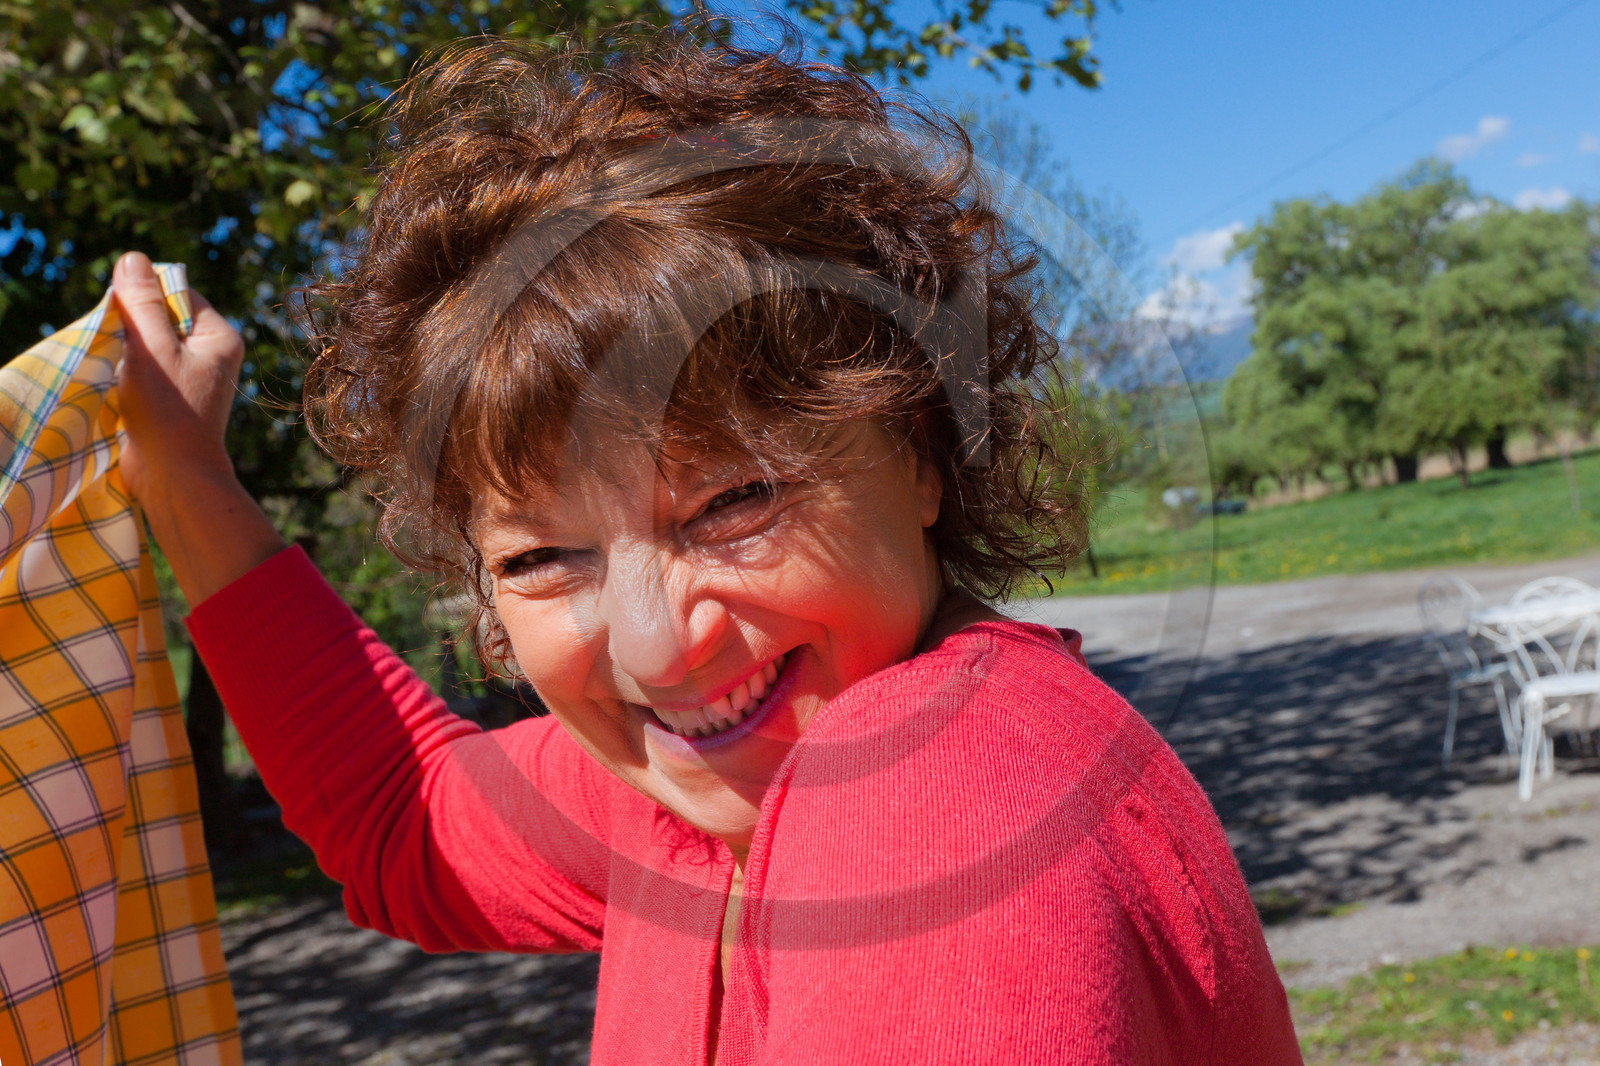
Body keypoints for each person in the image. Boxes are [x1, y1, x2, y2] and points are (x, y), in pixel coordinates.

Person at [112, 25, 1303, 1066]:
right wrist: (185, 484)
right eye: (539, 559)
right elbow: (404, 816)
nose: (655, 650)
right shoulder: (695, 790)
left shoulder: (922, 787)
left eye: (731, 501)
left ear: (926, 449)